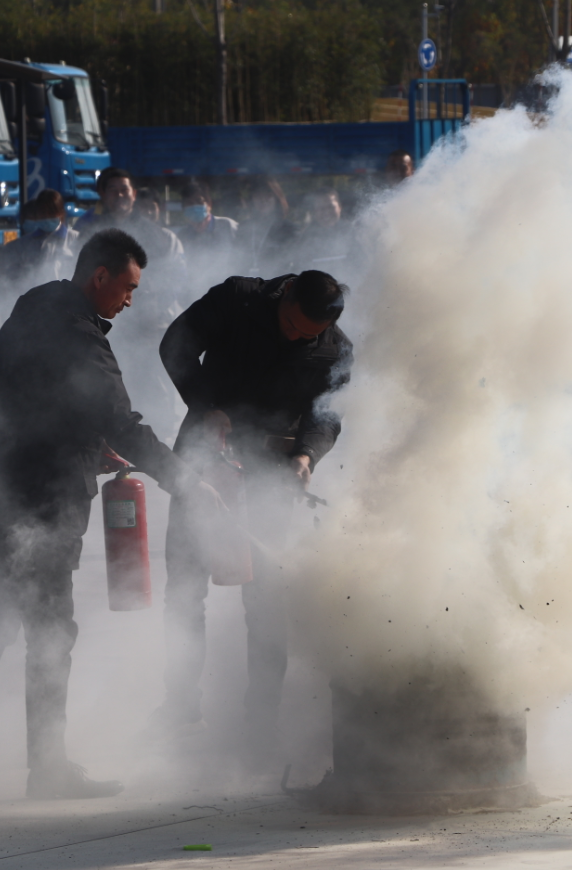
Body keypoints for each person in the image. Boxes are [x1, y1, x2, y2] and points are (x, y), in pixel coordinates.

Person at [0, 229, 221, 798]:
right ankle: (48, 770)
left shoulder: (36, 307)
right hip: (39, 507)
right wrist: (186, 479)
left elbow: (44, 403)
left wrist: (85, 443)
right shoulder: (79, 335)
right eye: (126, 288)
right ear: (99, 277)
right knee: (52, 633)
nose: (130, 301)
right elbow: (121, 419)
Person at [155, 269, 353, 770]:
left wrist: (307, 456)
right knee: (185, 583)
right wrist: (206, 406)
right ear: (285, 296)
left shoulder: (334, 350)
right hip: (206, 456)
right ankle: (180, 710)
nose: (294, 337)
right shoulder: (240, 299)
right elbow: (175, 344)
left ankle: (259, 722)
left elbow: (326, 415)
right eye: (289, 324)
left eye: (306, 335)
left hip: (271, 472)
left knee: (265, 600)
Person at [77, 171, 187, 435]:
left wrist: (152, 306)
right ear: (102, 194)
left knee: (156, 384)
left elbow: (175, 278)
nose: (120, 196)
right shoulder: (87, 230)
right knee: (111, 383)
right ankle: (114, 437)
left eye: (125, 190)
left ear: (134, 194)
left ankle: (160, 439)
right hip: (104, 322)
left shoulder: (158, 235)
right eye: (113, 190)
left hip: (151, 323)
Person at [0, 190, 79, 319]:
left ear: (61, 213)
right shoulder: (20, 246)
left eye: (51, 212)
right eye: (43, 213)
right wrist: (8, 313)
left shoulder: (77, 240)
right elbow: (0, 283)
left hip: (69, 313)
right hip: (33, 315)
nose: (47, 217)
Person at [176, 180, 238, 288]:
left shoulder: (228, 227)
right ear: (184, 209)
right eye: (190, 203)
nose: (195, 206)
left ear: (209, 203)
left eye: (199, 201)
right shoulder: (181, 237)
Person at [235, 177, 296, 276]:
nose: (263, 200)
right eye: (258, 196)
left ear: (276, 198)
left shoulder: (289, 229)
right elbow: (235, 261)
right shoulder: (243, 228)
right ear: (252, 200)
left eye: (268, 195)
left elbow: (294, 263)